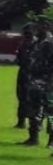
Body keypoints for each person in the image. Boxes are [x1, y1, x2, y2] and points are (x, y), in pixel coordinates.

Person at [22, 18, 53, 149]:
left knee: (50, 111)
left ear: (47, 26)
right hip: (35, 80)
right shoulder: (36, 42)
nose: (36, 29)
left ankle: (51, 141)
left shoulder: (51, 42)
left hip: (49, 81)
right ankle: (33, 137)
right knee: (33, 109)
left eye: (39, 26)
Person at [16, 23, 36, 128]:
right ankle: (21, 121)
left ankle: (35, 124)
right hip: (23, 73)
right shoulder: (22, 43)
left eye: (28, 32)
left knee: (32, 99)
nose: (27, 34)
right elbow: (19, 58)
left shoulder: (37, 44)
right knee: (21, 97)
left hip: (33, 75)